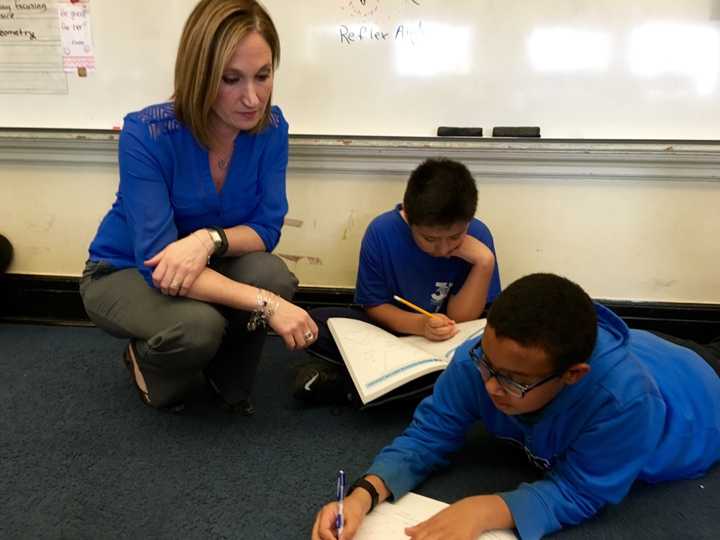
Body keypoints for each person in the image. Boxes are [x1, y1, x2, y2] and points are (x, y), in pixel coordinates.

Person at [311, 273, 720, 540]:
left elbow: (583, 489)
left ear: (571, 375)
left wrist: (492, 507)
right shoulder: (484, 357)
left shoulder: (627, 403)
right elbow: (429, 434)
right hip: (653, 350)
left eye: (511, 379)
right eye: (487, 364)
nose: (488, 385)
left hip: (700, 397)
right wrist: (365, 494)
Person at [80, 0, 317, 415]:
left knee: (271, 274)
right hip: (124, 270)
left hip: (206, 261)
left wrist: (207, 240)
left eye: (263, 76)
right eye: (231, 79)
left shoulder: (272, 128)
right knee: (197, 328)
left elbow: (266, 228)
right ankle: (145, 358)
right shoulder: (146, 133)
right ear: (200, 74)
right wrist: (269, 305)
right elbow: (159, 265)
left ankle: (225, 375)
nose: (252, 98)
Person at [296, 158, 501, 405]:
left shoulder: (479, 236)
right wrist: (421, 325)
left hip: (450, 338)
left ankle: (361, 386)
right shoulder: (382, 232)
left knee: (497, 342)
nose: (443, 249)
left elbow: (464, 319)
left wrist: (484, 263)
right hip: (393, 330)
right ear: (409, 218)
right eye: (429, 238)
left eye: (455, 237)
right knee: (314, 324)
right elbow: (375, 307)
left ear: (468, 222)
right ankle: (431, 390)